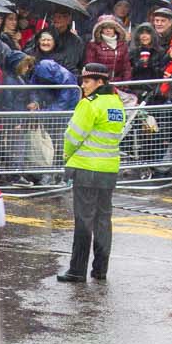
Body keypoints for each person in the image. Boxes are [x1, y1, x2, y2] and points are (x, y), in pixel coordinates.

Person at [59, 63, 130, 282]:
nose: (83, 85)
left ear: (100, 82)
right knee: (103, 221)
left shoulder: (89, 104)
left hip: (86, 169)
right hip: (109, 170)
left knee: (83, 221)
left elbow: (73, 136)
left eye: (87, 81)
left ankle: (77, 270)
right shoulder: (116, 104)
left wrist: (66, 157)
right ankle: (100, 270)